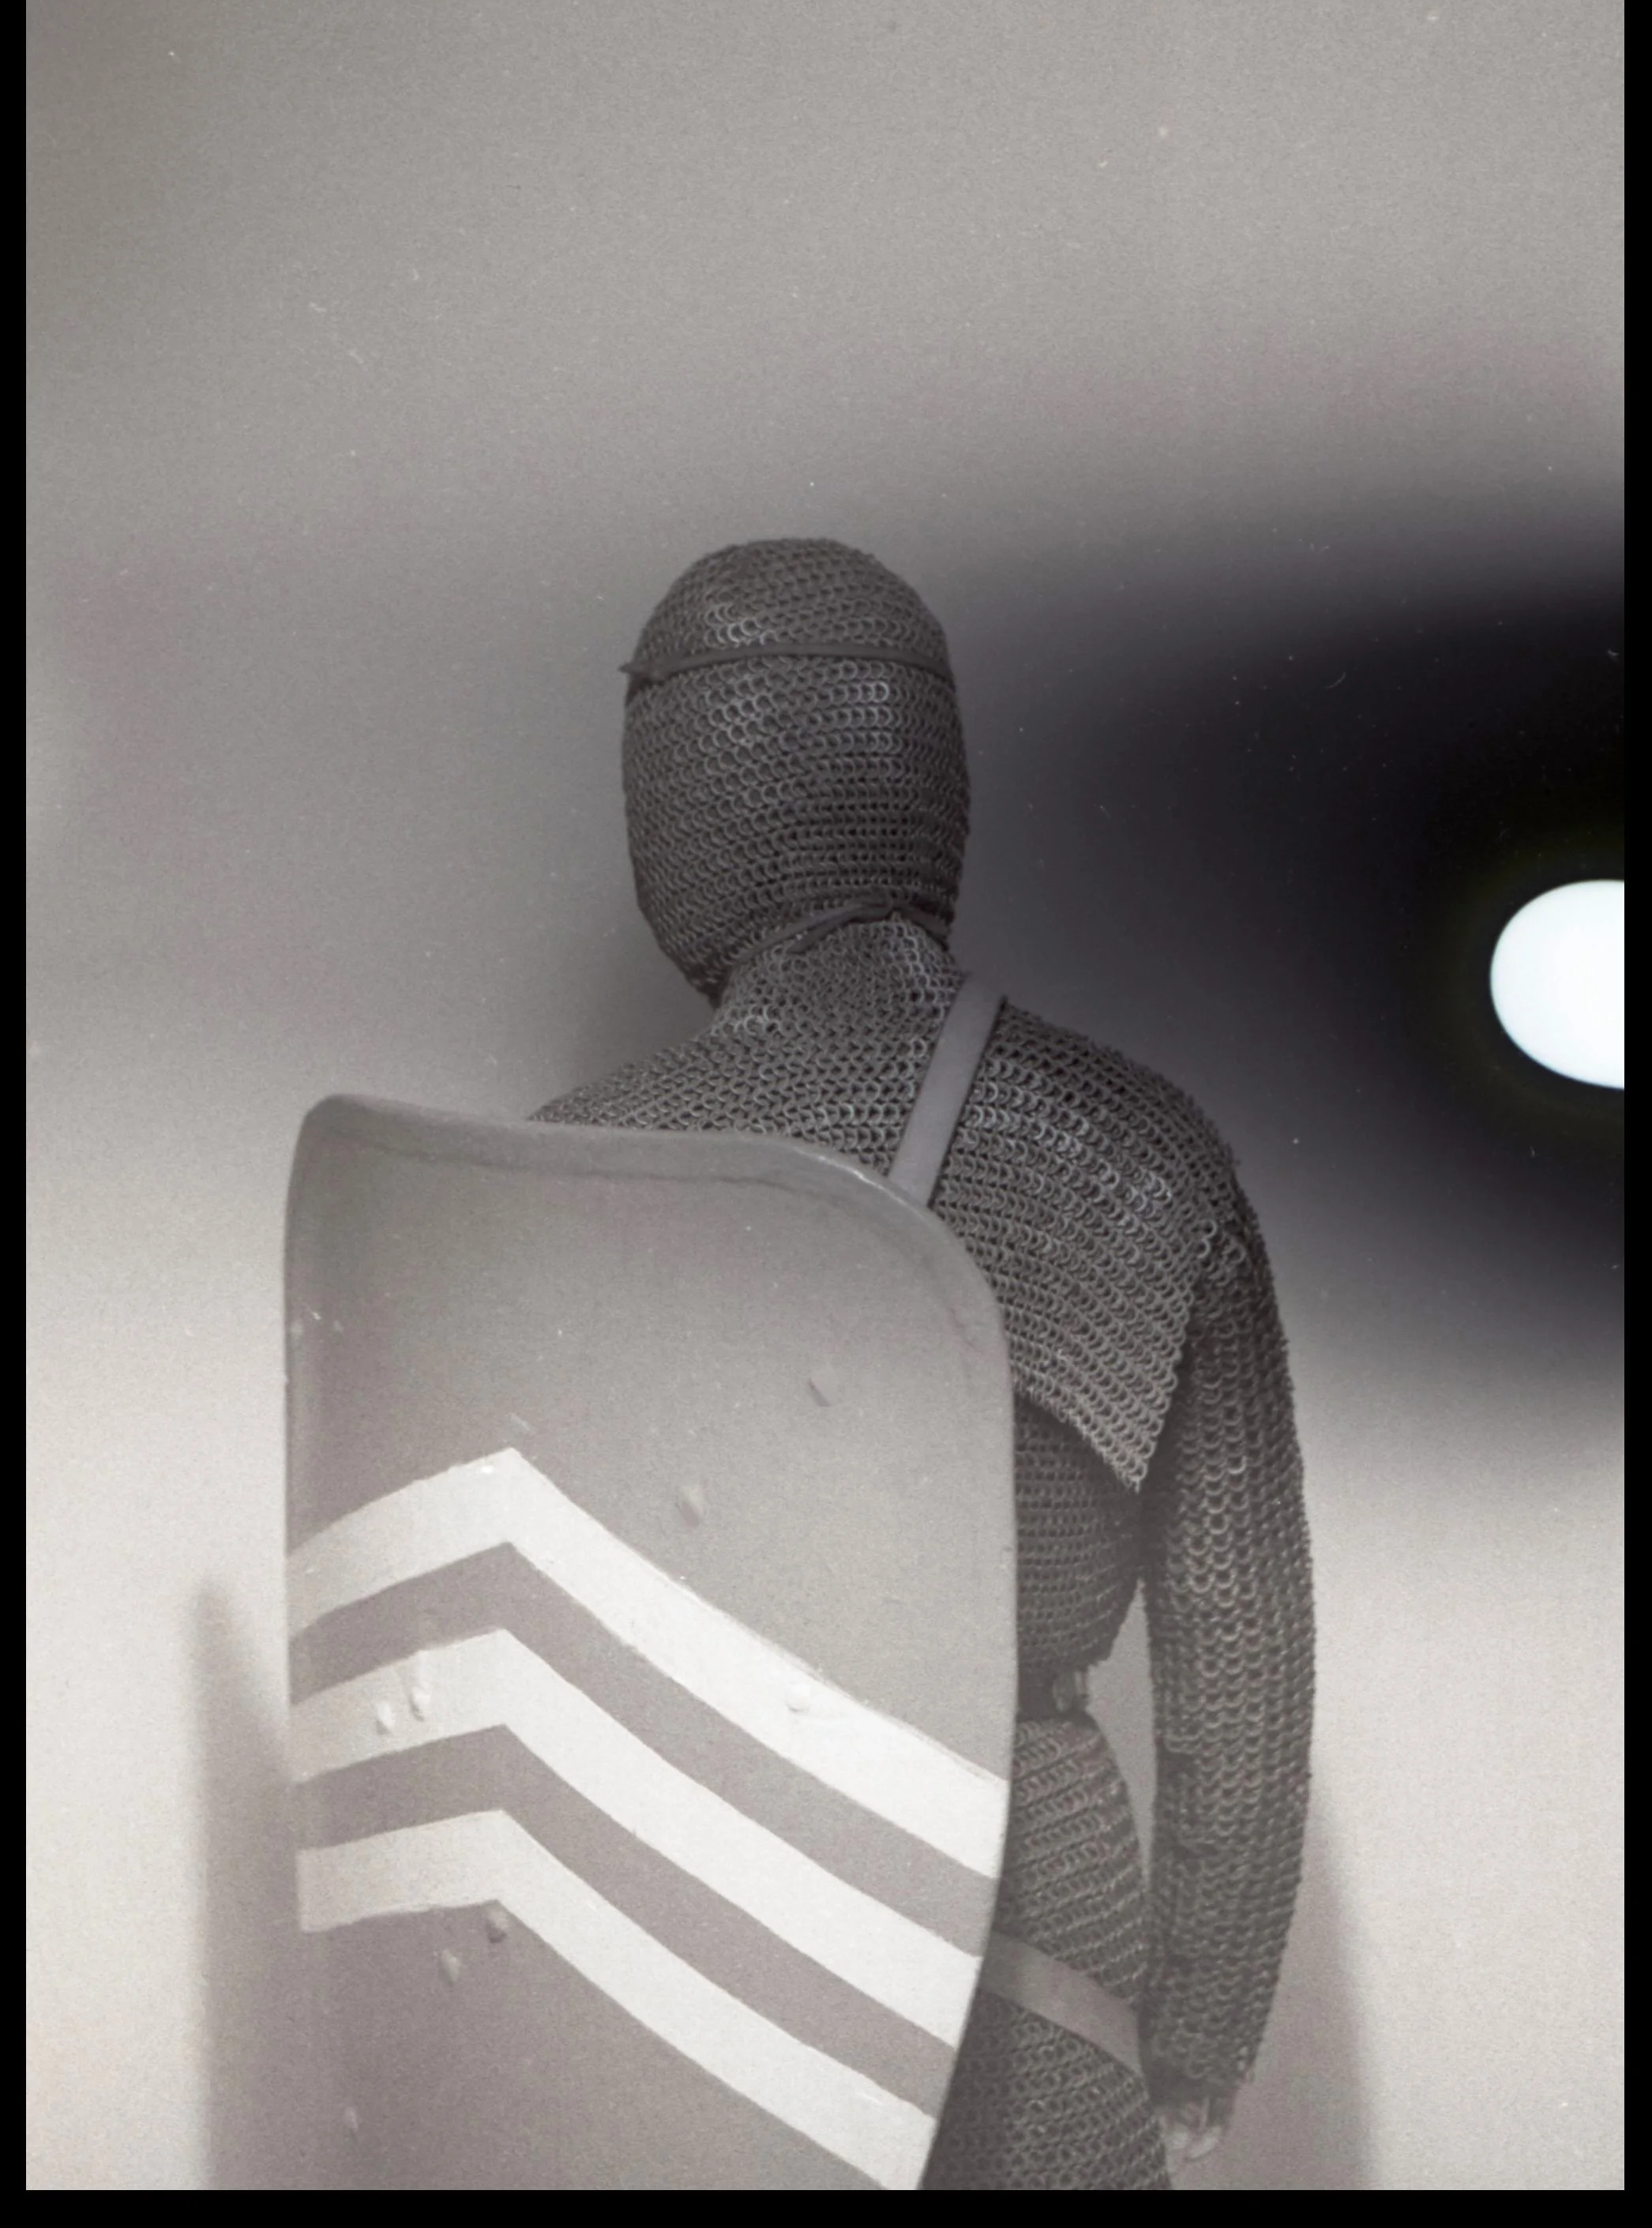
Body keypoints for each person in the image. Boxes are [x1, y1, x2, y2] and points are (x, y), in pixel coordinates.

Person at [535, 538, 1314, 2189]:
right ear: (922, 778)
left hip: (697, 1933)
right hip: (1040, 1924)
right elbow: (1237, 1665)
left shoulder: (571, 1178)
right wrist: (1195, 2034)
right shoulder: (1137, 1151)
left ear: (678, 791)